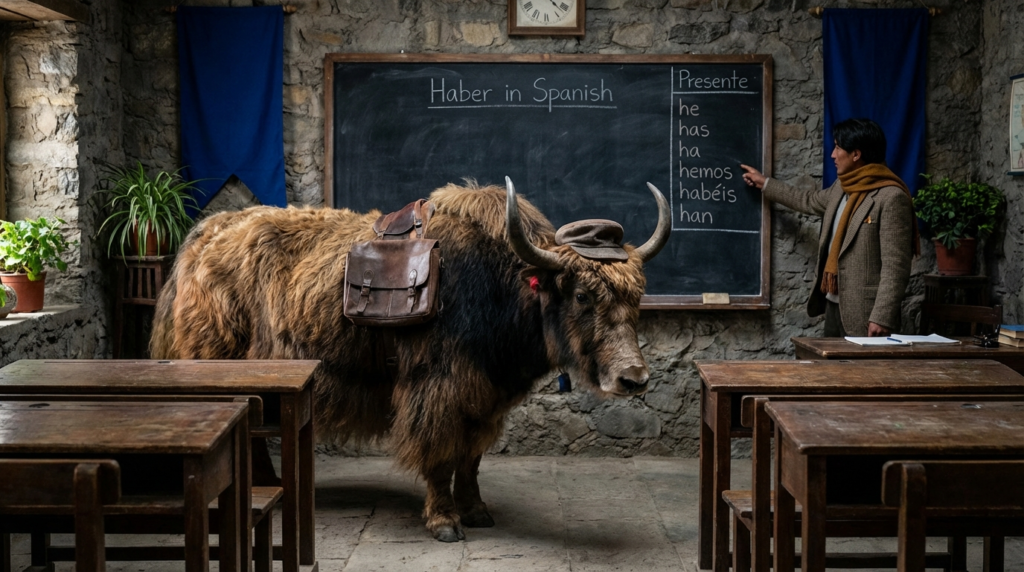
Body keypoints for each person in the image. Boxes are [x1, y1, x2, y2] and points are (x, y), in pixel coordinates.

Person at [740, 118, 918, 337]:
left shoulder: (890, 197)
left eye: (838, 147)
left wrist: (881, 316)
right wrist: (764, 183)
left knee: (863, 373)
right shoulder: (841, 187)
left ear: (856, 154)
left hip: (867, 314)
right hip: (834, 305)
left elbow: (896, 266)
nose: (833, 155)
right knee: (832, 370)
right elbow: (807, 199)